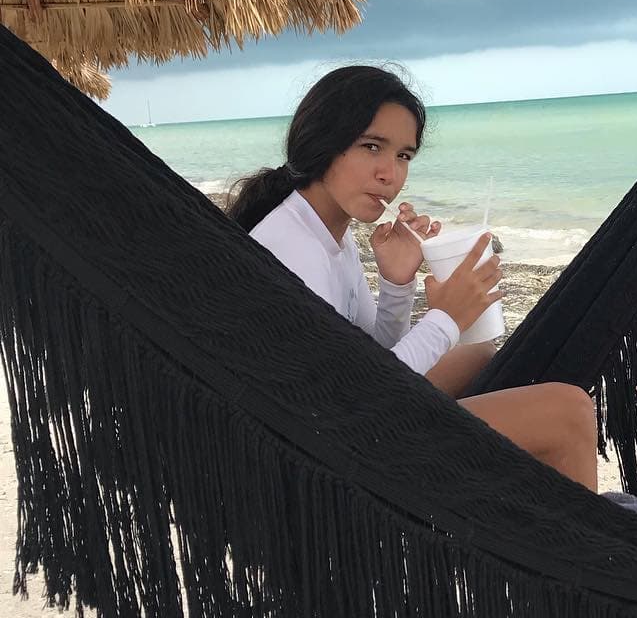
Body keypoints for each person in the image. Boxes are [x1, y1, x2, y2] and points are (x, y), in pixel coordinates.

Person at [226, 65, 596, 489]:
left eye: (403, 156)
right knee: (569, 411)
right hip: (326, 457)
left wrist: (397, 284)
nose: (391, 173)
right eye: (371, 147)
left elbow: (371, 352)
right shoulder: (292, 247)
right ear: (322, 143)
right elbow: (361, 398)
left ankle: (506, 510)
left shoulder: (328, 230)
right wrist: (447, 319)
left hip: (348, 418)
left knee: (479, 355)